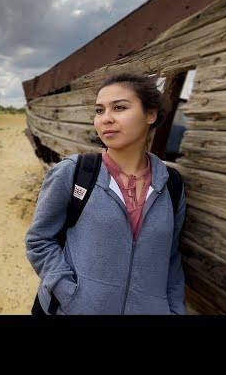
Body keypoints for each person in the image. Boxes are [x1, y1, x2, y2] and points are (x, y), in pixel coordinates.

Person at [25, 72, 187, 315]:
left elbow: (171, 258)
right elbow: (39, 241)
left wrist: (174, 310)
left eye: (119, 108)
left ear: (150, 114)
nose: (105, 119)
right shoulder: (74, 172)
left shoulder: (172, 185)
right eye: (99, 111)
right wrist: (70, 294)